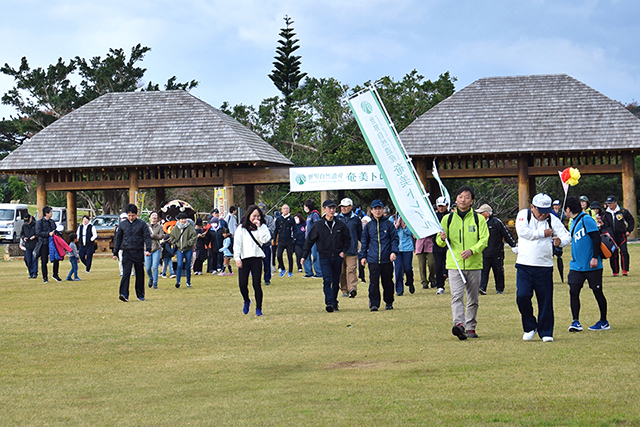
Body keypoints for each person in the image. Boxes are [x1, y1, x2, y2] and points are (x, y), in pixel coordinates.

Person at [515, 193, 571, 342]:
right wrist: (543, 233)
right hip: (524, 265)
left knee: (545, 300)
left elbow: (567, 236)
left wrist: (560, 242)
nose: (543, 214)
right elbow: (523, 233)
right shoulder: (523, 215)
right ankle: (530, 326)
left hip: (544, 266)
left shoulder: (552, 219)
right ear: (532, 207)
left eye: (546, 211)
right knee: (522, 296)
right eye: (540, 211)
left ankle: (546, 331)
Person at [436, 187, 489, 340]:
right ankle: (459, 324)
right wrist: (442, 237)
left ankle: (471, 327)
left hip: (474, 265)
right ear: (456, 200)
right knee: (456, 296)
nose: (463, 199)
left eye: (466, 197)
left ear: (472, 201)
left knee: (473, 299)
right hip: (454, 265)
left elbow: (484, 240)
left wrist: (472, 250)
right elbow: (439, 242)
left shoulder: (479, 219)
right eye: (460, 197)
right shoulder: (447, 219)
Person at [564, 196, 610, 332]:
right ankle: (575, 321)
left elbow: (596, 238)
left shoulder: (587, 219)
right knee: (573, 291)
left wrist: (595, 257)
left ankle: (603, 321)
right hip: (576, 265)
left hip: (591, 265)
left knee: (597, 291)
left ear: (568, 209)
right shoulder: (573, 222)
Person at [301, 199, 351, 313]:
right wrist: (304, 256)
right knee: (327, 279)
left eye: (333, 208)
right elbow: (309, 241)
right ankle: (328, 302)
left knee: (335, 280)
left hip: (337, 256)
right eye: (329, 208)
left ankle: (334, 301)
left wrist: (343, 251)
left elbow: (347, 239)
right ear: (324, 209)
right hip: (324, 256)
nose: (332, 210)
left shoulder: (340, 224)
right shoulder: (318, 225)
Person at [359, 199, 399, 312]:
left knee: (387, 282)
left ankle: (389, 301)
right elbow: (364, 242)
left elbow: (395, 239)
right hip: (373, 259)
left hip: (387, 259)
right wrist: (363, 256)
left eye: (379, 209)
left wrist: (393, 252)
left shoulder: (388, 224)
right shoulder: (368, 226)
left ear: (383, 210)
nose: (377, 211)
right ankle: (374, 304)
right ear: (371, 211)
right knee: (373, 283)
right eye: (375, 209)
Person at [233, 204, 272, 316]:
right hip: (244, 258)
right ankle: (246, 300)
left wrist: (259, 227)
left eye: (258, 216)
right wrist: (237, 258)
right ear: (249, 215)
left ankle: (258, 308)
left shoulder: (263, 227)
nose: (256, 218)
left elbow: (265, 239)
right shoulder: (241, 228)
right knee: (242, 284)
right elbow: (237, 244)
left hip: (256, 258)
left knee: (257, 284)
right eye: (254, 216)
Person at [113, 203, 152, 302]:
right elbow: (118, 239)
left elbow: (147, 237)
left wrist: (148, 249)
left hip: (138, 251)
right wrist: (115, 252)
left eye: (133, 215)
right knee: (126, 273)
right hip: (126, 251)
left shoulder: (142, 224)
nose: (131, 217)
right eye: (129, 215)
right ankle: (124, 294)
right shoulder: (122, 225)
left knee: (139, 273)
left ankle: (140, 294)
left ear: (136, 214)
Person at [476, 204, 517, 295]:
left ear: (487, 213)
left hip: (497, 252)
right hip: (484, 252)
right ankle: (482, 288)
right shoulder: (478, 223)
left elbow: (506, 234)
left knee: (498, 271)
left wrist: (513, 245)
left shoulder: (497, 222)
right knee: (483, 271)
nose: (479, 214)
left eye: (481, 213)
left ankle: (500, 289)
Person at [601, 195, 634, 277]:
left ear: (615, 202)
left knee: (624, 251)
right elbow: (604, 224)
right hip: (611, 235)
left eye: (611, 203)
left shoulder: (622, 211)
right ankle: (615, 271)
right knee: (613, 253)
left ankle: (625, 270)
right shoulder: (605, 213)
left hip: (621, 234)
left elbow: (631, 220)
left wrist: (629, 230)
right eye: (608, 203)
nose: (610, 205)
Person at [336, 198, 362, 298]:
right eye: (342, 206)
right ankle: (344, 290)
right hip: (339, 250)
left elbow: (360, 234)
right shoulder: (337, 218)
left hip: (352, 249)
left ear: (351, 207)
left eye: (346, 206)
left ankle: (352, 288)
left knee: (352, 269)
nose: (343, 208)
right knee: (341, 272)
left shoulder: (356, 219)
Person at [170, 213, 198, 288]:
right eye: (181, 219)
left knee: (188, 266)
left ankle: (188, 282)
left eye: (184, 219)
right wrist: (176, 243)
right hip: (180, 249)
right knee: (179, 265)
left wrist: (189, 243)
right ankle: (178, 282)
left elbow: (194, 236)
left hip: (188, 249)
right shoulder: (175, 228)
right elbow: (171, 236)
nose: (183, 221)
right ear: (179, 220)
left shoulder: (190, 227)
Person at [35, 206, 61, 283]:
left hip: (53, 243)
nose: (51, 214)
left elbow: (55, 230)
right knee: (44, 261)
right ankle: (45, 277)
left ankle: (55, 274)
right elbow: (38, 232)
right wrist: (48, 234)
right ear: (46, 213)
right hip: (44, 243)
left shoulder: (52, 222)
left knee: (56, 258)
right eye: (50, 212)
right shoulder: (39, 222)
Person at [394, 216, 415, 296]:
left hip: (407, 247)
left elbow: (412, 233)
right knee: (398, 268)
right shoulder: (392, 219)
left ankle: (410, 281)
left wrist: (404, 227)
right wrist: (396, 226)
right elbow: (390, 232)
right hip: (396, 248)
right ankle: (399, 289)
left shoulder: (409, 219)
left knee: (408, 268)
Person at [433, 196, 449, 295]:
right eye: (439, 206)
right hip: (437, 245)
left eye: (443, 206)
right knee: (438, 266)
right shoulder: (434, 217)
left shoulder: (450, 216)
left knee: (448, 266)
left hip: (449, 245)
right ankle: (440, 286)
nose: (441, 208)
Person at [302, 199, 322, 278]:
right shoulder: (309, 215)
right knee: (306, 255)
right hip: (308, 239)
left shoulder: (315, 215)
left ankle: (319, 272)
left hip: (314, 239)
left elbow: (316, 226)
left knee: (315, 256)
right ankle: (308, 272)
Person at [275, 204, 296, 277]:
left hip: (289, 240)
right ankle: (283, 269)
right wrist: (274, 239)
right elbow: (276, 230)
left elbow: (294, 229)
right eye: (284, 208)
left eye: (287, 208)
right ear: (281, 210)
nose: (285, 210)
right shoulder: (279, 219)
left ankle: (290, 271)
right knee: (278, 255)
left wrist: (294, 238)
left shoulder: (291, 219)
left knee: (290, 256)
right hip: (281, 240)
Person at [258, 202, 276, 286]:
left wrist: (263, 229)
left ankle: (267, 279)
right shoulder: (253, 218)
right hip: (257, 245)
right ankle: (257, 279)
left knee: (267, 263)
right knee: (257, 264)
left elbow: (272, 229)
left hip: (266, 244)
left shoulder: (269, 219)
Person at [145, 211, 164, 289]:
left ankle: (155, 283)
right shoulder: (145, 226)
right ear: (150, 217)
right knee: (147, 267)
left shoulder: (159, 227)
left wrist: (153, 236)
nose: (154, 217)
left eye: (155, 216)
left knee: (155, 266)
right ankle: (150, 278)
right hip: (147, 248)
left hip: (156, 248)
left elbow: (161, 236)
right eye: (152, 215)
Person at [551, 199, 566, 282]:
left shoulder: (561, 214)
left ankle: (562, 277)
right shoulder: (551, 213)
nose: (556, 206)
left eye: (557, 205)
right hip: (552, 237)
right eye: (554, 205)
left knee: (559, 257)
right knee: (551, 257)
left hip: (559, 236)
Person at [20, 213, 38, 279]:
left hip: (34, 244)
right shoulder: (24, 226)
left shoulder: (35, 224)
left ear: (30, 218)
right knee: (28, 259)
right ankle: (30, 273)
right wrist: (24, 238)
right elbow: (21, 234)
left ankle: (34, 273)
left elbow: (38, 233)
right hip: (27, 245)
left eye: (28, 220)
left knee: (34, 259)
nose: (27, 222)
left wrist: (34, 237)